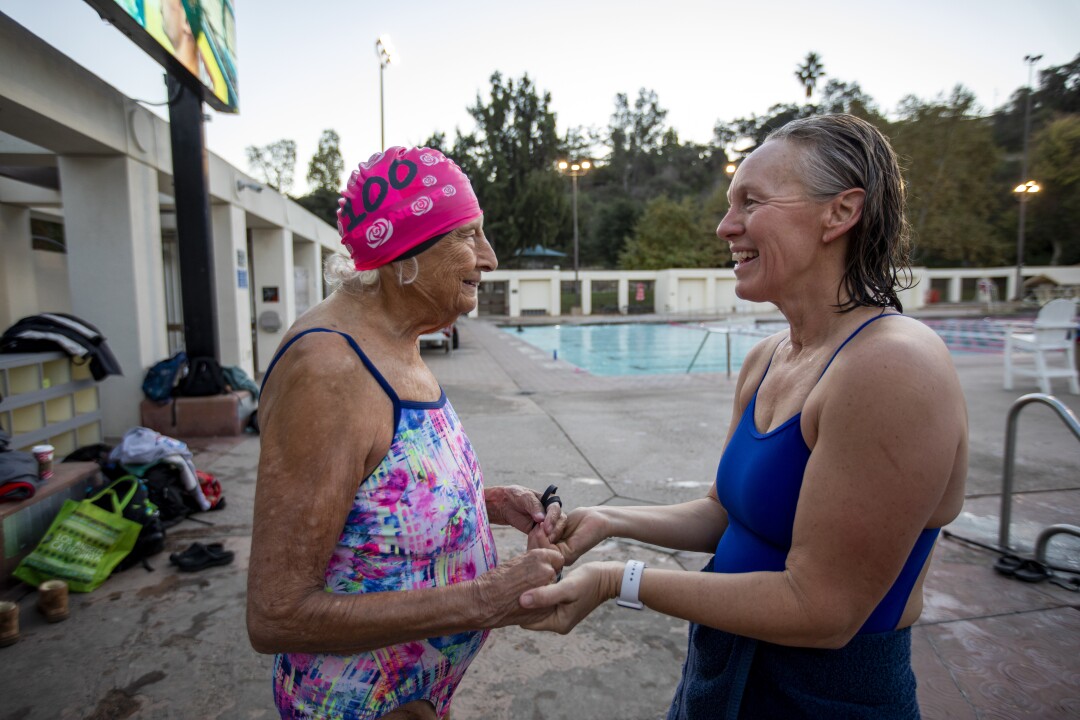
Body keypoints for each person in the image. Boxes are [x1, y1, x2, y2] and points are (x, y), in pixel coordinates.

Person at [521, 115, 968, 719]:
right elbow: (724, 514)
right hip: (720, 669)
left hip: (825, 696)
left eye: (750, 202)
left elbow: (823, 610)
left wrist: (615, 580)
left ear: (840, 212)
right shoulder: (768, 358)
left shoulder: (892, 367)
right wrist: (609, 519)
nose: (725, 226)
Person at [247, 146, 566, 720]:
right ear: (403, 254)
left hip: (416, 696)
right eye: (468, 236)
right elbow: (277, 613)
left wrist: (484, 503)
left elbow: (372, 494)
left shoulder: (396, 340)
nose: (488, 258)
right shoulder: (330, 370)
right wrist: (482, 599)